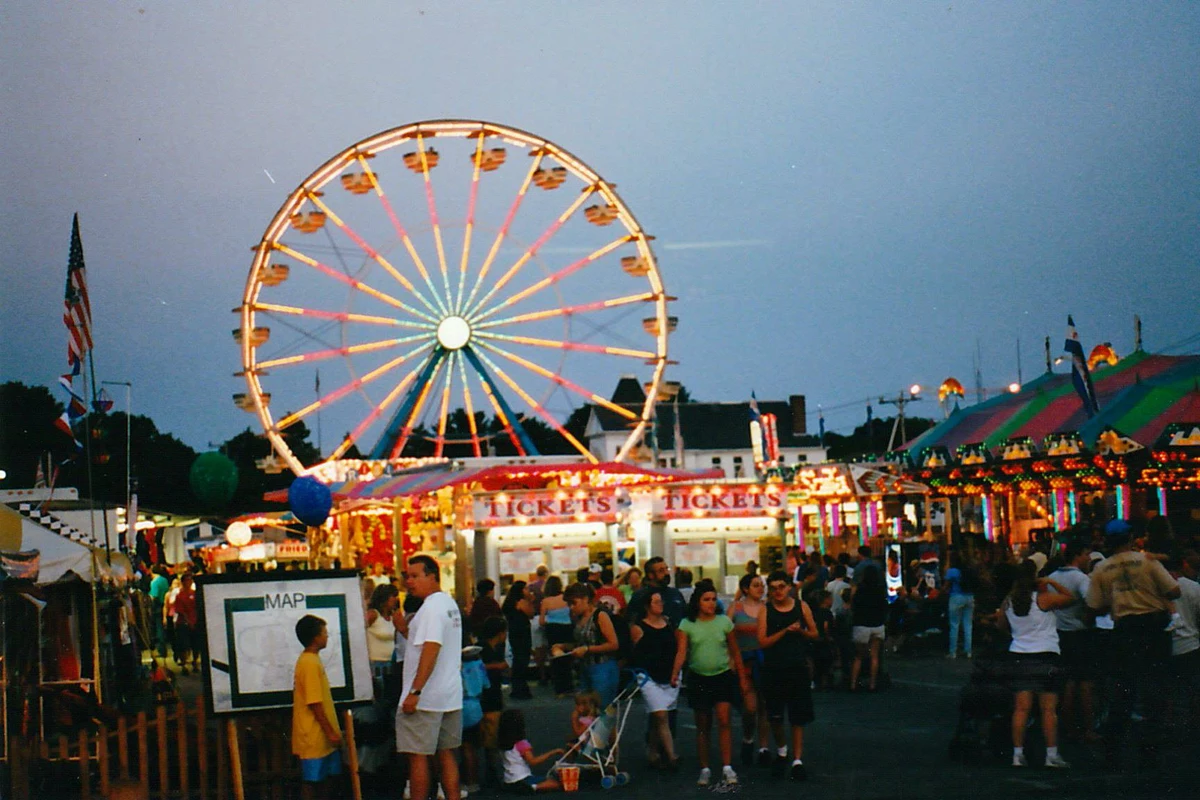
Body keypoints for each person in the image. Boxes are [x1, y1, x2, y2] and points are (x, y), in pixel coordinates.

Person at [1087, 519, 1181, 767]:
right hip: (1153, 628)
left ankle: (1113, 749)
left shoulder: (1102, 569)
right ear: (1131, 538)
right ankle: (1150, 749)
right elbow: (1174, 591)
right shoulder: (1148, 561)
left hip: (1125, 630)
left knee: (1123, 689)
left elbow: (1094, 606)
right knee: (1155, 689)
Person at [997, 559, 1078, 768]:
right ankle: (1051, 755)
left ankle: (1017, 754)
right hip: (1046, 655)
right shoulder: (1043, 599)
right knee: (1048, 709)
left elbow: (1001, 625)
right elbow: (1071, 598)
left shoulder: (1009, 601)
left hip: (1020, 655)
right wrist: (1050, 582)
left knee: (1021, 709)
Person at [397, 555, 464, 800]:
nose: (409, 582)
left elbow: (431, 648)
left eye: (415, 576)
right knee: (446, 754)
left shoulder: (431, 608)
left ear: (432, 576)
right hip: (449, 694)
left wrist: (415, 691)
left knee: (418, 757)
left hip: (426, 698)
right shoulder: (448, 604)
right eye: (407, 577)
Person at [679, 585, 749, 787]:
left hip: (722, 676)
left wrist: (742, 677)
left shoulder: (724, 622)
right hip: (698, 677)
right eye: (706, 599)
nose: (710, 603)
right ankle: (705, 768)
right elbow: (682, 652)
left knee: (724, 719)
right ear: (697, 602)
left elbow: (735, 651)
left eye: (713, 599)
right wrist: (675, 673)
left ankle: (727, 766)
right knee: (702, 724)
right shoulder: (687, 624)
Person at [758, 571, 818, 781]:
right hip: (774, 669)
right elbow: (762, 641)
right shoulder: (765, 610)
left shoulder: (802, 607)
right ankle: (782, 749)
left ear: (789, 587)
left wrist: (801, 631)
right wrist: (784, 631)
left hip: (796, 667)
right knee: (774, 715)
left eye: (781, 587)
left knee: (797, 716)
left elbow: (815, 633)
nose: (777, 592)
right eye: (773, 588)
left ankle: (797, 759)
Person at [630, 587, 687, 770]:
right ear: (647, 606)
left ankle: (653, 751)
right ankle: (672, 755)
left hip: (669, 675)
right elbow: (638, 654)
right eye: (656, 602)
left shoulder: (669, 623)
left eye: (661, 601)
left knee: (658, 715)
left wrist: (675, 671)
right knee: (661, 714)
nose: (661, 604)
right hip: (648, 677)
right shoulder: (638, 628)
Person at [1047, 541, 1098, 742]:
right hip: (1080, 634)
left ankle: (1067, 727)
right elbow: (1091, 602)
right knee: (1085, 684)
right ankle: (1088, 728)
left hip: (1059, 633)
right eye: (1086, 553)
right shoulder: (1081, 579)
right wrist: (1090, 617)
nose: (1088, 558)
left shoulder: (1052, 578)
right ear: (1078, 555)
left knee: (1066, 683)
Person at [292, 614, 343, 800]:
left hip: (321, 735)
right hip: (313, 734)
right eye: (324, 633)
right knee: (313, 780)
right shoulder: (309, 663)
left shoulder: (312, 660)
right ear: (315, 638)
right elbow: (314, 702)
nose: (327, 636)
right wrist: (330, 731)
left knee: (326, 778)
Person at [727, 573, 769, 766]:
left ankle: (763, 747)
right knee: (750, 707)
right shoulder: (735, 608)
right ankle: (748, 737)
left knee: (765, 705)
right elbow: (725, 634)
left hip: (765, 659)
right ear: (745, 589)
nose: (760, 588)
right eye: (755, 585)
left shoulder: (768, 608)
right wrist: (730, 659)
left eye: (761, 585)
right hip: (743, 661)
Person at [565, 582, 621, 707]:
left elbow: (613, 644)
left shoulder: (600, 615)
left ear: (585, 599)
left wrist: (587, 649)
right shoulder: (578, 618)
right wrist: (564, 646)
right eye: (569, 604)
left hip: (602, 668)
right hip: (585, 668)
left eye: (574, 603)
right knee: (586, 710)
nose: (571, 607)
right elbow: (580, 642)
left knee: (602, 709)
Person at [498, 709, 565, 793]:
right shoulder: (521, 743)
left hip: (508, 780)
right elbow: (532, 761)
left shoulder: (502, 743)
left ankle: (516, 788)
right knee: (555, 783)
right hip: (522, 777)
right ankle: (533, 787)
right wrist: (552, 752)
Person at [849, 557, 888, 692]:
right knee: (874, 655)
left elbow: (853, 605)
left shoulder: (860, 590)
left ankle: (853, 683)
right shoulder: (880, 590)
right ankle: (872, 684)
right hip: (877, 624)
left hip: (861, 624)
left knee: (859, 656)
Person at [478, 616, 508, 785]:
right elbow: (480, 666)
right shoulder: (485, 648)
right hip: (490, 694)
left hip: (489, 692)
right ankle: (491, 769)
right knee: (491, 731)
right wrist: (498, 666)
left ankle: (489, 767)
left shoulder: (490, 647)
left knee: (487, 731)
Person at [540, 577, 575, 696]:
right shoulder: (566, 599)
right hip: (567, 629)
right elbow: (572, 613)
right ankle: (569, 685)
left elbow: (541, 621)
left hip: (553, 630)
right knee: (567, 656)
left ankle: (559, 688)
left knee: (556, 658)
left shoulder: (546, 601)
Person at [627, 557, 686, 627]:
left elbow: (685, 617)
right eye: (661, 571)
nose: (666, 573)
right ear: (651, 575)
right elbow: (631, 621)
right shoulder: (640, 596)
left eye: (667, 569)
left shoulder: (675, 593)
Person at [502, 581, 535, 699]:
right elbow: (531, 613)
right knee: (522, 659)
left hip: (515, 632)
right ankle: (521, 688)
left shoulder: (510, 603)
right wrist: (531, 600)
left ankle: (517, 687)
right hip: (522, 632)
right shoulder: (521, 602)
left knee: (518, 659)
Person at [366, 584, 400, 697]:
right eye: (393, 596)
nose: (396, 599)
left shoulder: (393, 616)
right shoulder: (373, 615)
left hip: (392, 664)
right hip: (376, 664)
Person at [944, 551, 977, 659]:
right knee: (968, 625)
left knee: (954, 625)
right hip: (969, 597)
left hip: (956, 597)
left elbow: (946, 586)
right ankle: (968, 651)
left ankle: (953, 651)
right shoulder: (969, 570)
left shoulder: (952, 571)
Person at [173, 574, 198, 674]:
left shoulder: (195, 594)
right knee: (184, 645)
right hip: (183, 624)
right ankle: (184, 664)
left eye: (190, 580)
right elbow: (180, 611)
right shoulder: (180, 596)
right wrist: (188, 621)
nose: (189, 582)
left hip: (195, 622)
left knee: (195, 644)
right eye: (187, 580)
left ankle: (195, 662)